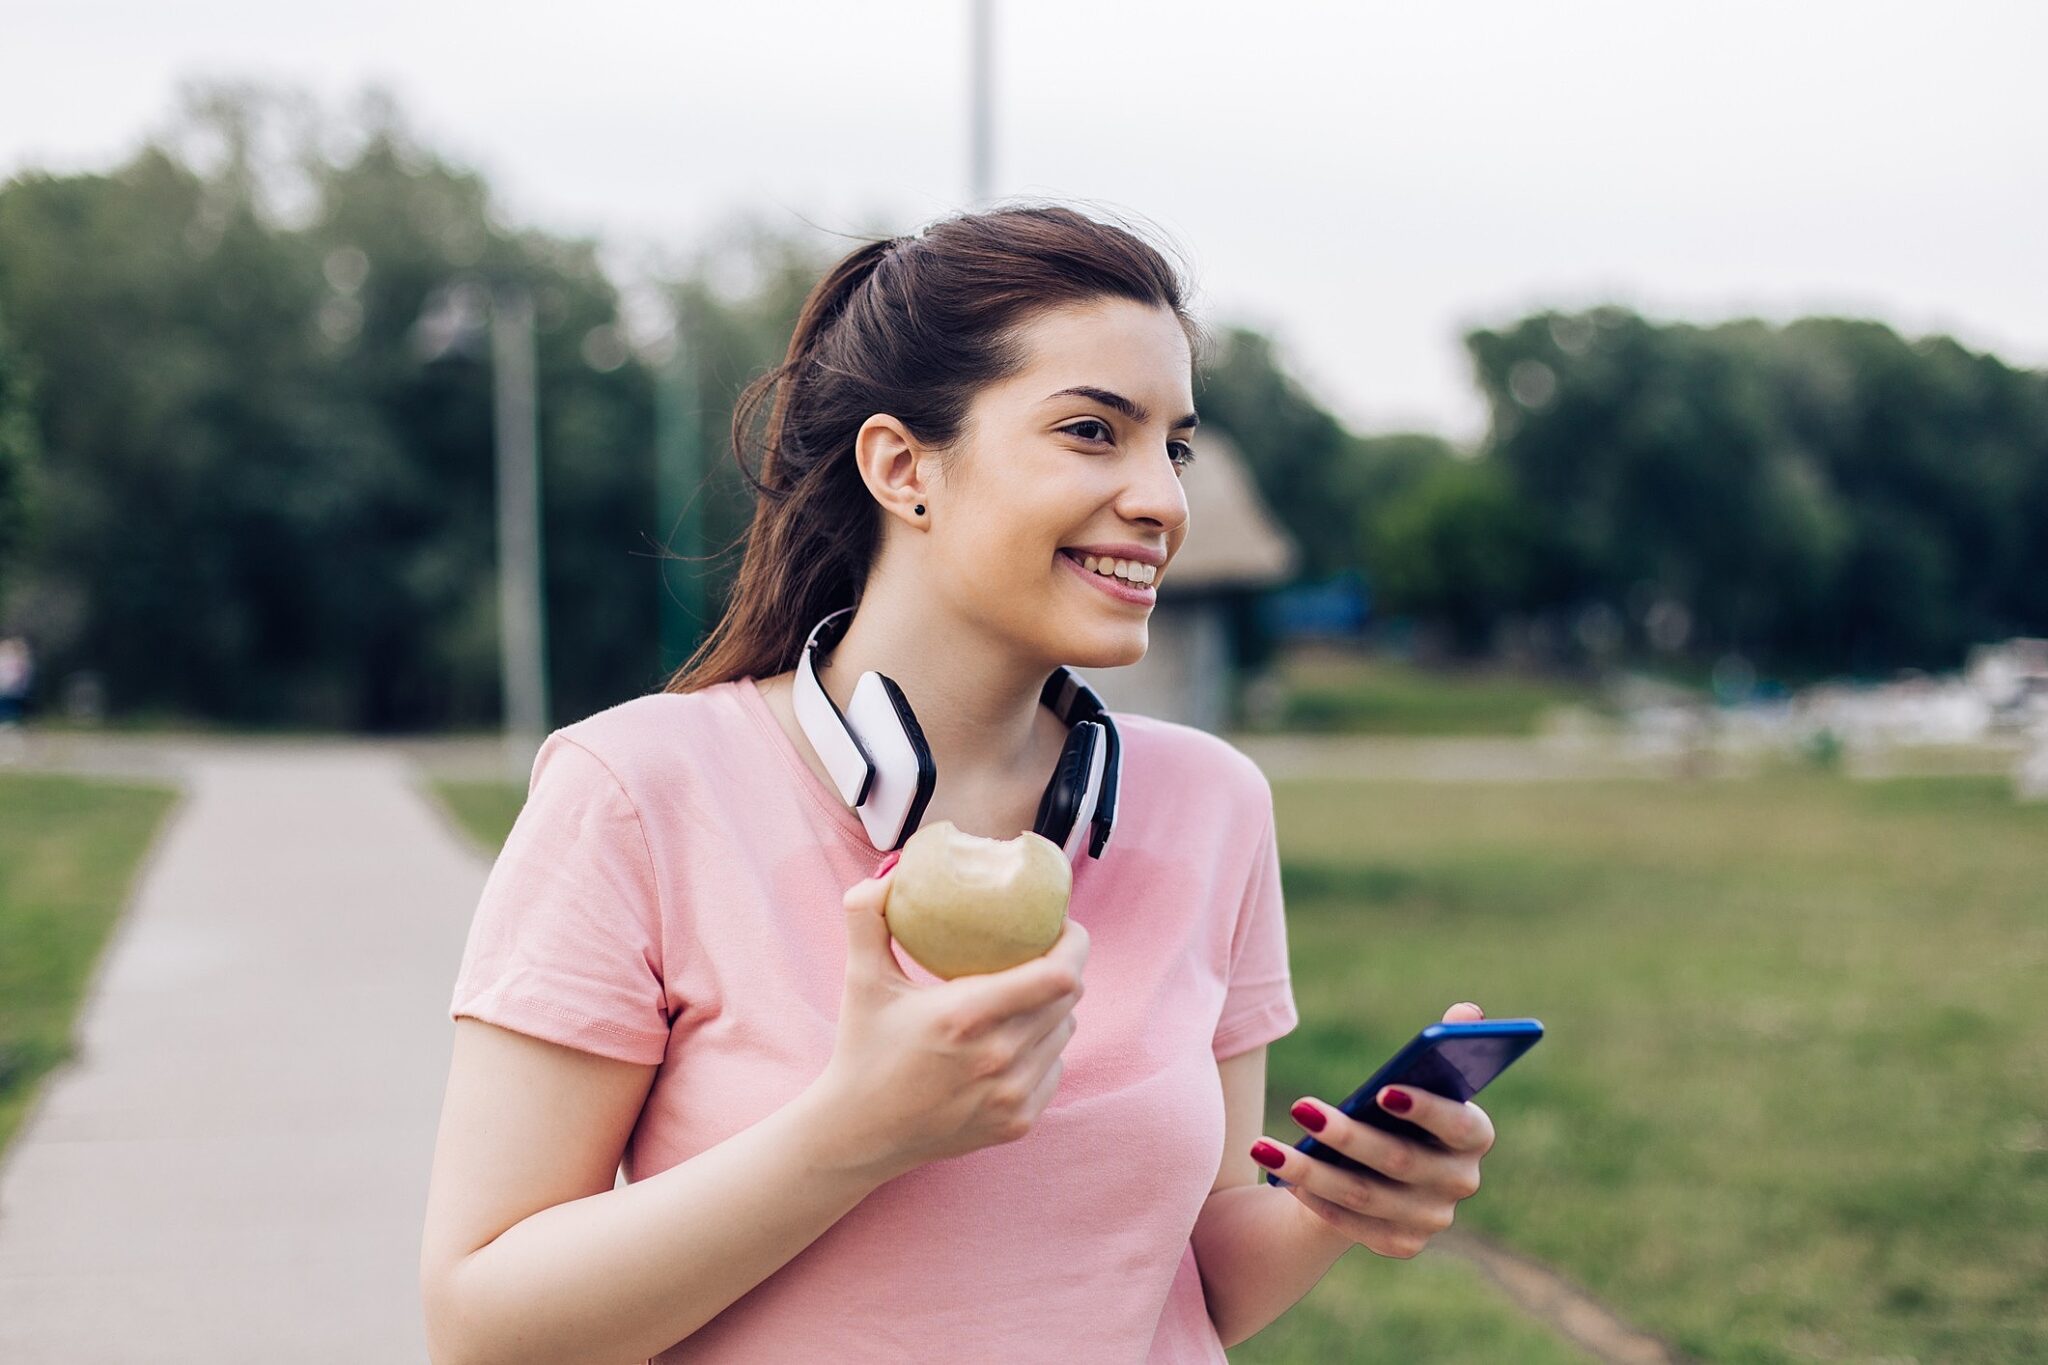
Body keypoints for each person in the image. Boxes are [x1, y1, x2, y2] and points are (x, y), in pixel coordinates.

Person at [420, 204, 1498, 1365]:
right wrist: (858, 1129)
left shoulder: (1213, 805)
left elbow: (1180, 1282)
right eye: (1093, 431)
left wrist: (1330, 1203)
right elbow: (486, 1331)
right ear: (900, 468)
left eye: (1173, 448)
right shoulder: (634, 791)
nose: (1162, 500)